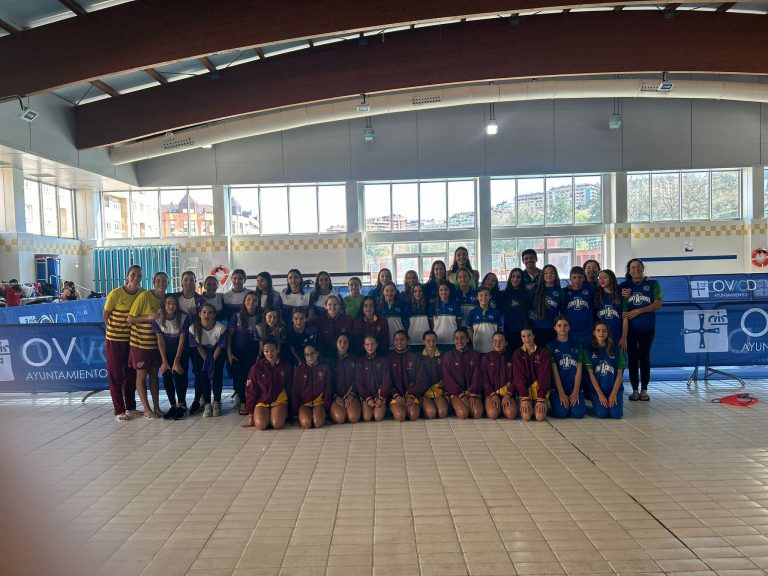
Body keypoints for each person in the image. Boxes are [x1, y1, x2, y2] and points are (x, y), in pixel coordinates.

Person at [103, 265, 144, 421]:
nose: (136, 278)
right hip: (115, 340)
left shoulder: (142, 293)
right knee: (116, 375)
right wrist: (114, 330)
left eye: (139, 275)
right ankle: (119, 410)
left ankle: (130, 407)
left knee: (131, 374)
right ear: (127, 276)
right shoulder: (115, 294)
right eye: (133, 274)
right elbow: (106, 315)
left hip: (133, 340)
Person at [620, 258, 662, 402]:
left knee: (644, 358)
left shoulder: (652, 284)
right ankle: (634, 390)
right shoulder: (624, 286)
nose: (635, 269)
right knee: (632, 359)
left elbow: (658, 304)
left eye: (638, 267)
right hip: (630, 330)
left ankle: (644, 389)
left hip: (647, 328)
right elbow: (623, 309)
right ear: (628, 270)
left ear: (643, 268)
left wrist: (640, 311)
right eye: (632, 267)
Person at [127, 271, 168, 419]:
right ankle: (146, 408)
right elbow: (130, 319)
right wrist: (147, 317)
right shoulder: (144, 296)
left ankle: (156, 406)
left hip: (156, 345)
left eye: (164, 281)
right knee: (141, 375)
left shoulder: (167, 299)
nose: (161, 283)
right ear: (153, 282)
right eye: (158, 281)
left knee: (154, 376)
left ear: (168, 283)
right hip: (140, 344)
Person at [153, 294, 190, 420]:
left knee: (179, 375)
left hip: (180, 351)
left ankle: (181, 405)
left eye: (174, 303)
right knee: (167, 375)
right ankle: (173, 405)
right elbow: (160, 340)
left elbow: (182, 340)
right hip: (166, 352)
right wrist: (164, 361)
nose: (171, 306)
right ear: (163, 304)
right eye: (168, 303)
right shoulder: (157, 319)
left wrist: (177, 361)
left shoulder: (184, 317)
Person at [241, 339, 292, 430]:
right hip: (262, 401)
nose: (269, 354)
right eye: (266, 351)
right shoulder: (256, 368)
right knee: (261, 426)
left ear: (278, 349)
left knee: (277, 424)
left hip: (279, 400)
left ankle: (278, 415)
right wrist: (251, 416)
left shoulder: (286, 366)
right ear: (263, 352)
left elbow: (292, 389)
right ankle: (266, 416)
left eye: (272, 351)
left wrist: (293, 413)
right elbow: (251, 391)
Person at [189, 303, 228, 417]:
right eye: (204, 312)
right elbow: (199, 347)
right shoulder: (193, 328)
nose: (207, 315)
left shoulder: (221, 328)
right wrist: (207, 361)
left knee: (217, 375)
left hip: (217, 352)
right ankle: (207, 404)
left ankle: (216, 402)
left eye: (210, 312)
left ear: (214, 315)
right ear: (200, 314)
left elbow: (220, 346)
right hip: (202, 353)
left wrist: (212, 361)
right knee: (203, 376)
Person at [227, 291, 261, 416]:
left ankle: (252, 400)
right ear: (244, 302)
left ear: (258, 303)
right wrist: (229, 354)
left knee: (251, 379)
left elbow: (261, 339)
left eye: (255, 300)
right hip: (237, 353)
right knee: (238, 378)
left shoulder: (260, 316)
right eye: (249, 299)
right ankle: (242, 402)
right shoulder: (236, 316)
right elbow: (229, 336)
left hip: (253, 354)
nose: (251, 302)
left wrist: (259, 354)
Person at [547, 316, 585, 419]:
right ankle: (557, 401)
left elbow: (579, 370)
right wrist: (561, 394)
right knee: (561, 413)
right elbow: (554, 372)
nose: (562, 328)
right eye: (559, 325)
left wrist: (576, 392)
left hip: (573, 387)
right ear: (555, 327)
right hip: (558, 388)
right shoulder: (550, 346)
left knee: (578, 413)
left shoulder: (577, 346)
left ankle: (576, 399)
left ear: (569, 327)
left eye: (565, 325)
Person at [585, 322, 625, 419]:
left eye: (604, 331)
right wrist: (600, 394)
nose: (601, 333)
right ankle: (592, 405)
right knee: (602, 414)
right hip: (597, 391)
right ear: (594, 333)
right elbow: (591, 375)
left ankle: (616, 404)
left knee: (616, 415)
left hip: (614, 389)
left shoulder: (617, 350)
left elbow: (620, 374)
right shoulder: (588, 350)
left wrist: (614, 394)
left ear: (608, 333)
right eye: (598, 330)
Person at [512, 328, 552, 422]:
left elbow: (545, 377)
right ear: (521, 338)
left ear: (534, 336)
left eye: (529, 335)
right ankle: (523, 402)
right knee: (526, 417)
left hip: (540, 393)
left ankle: (537, 402)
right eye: (523, 336)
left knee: (539, 417)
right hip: (525, 393)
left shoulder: (543, 352)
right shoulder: (517, 354)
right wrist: (525, 397)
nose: (527, 338)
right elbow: (519, 377)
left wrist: (541, 398)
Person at [442, 328, 483, 419]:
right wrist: (460, 394)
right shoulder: (448, 356)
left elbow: (478, 376)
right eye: (456, 338)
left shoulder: (475, 355)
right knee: (463, 414)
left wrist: (473, 393)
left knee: (477, 413)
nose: (459, 341)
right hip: (456, 393)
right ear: (453, 340)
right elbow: (447, 378)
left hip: (473, 392)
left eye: (462, 338)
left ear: (468, 339)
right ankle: (453, 405)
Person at [388, 331, 428, 421]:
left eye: (402, 340)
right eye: (397, 339)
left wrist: (412, 395)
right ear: (393, 341)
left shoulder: (414, 357)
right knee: (400, 416)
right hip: (395, 396)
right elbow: (386, 381)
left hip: (411, 395)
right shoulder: (389, 357)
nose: (399, 342)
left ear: (407, 341)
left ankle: (418, 405)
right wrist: (395, 395)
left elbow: (421, 380)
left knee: (413, 415)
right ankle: (392, 409)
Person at [291, 344, 332, 429]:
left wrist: (327, 414)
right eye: (307, 354)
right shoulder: (299, 369)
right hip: (304, 404)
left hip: (319, 403)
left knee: (318, 423)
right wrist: (295, 416)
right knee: (306, 424)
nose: (310, 357)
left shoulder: (324, 368)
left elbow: (327, 390)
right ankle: (303, 416)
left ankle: (320, 416)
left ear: (317, 353)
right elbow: (295, 392)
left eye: (312, 353)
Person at [477, 332, 517, 420]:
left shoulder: (512, 357)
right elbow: (484, 379)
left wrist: (508, 394)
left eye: (500, 341)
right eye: (495, 341)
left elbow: (516, 378)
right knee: (493, 414)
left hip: (507, 393)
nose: (497, 343)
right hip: (491, 393)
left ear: (506, 343)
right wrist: (493, 394)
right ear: (492, 342)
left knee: (511, 414)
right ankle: (491, 405)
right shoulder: (486, 358)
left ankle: (506, 406)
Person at [355, 335, 392, 422]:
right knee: (367, 417)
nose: (370, 346)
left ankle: (385, 407)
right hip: (367, 396)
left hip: (380, 396)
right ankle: (366, 405)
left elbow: (387, 381)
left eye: (372, 344)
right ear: (364, 346)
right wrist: (368, 398)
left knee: (378, 417)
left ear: (377, 345)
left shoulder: (383, 361)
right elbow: (359, 383)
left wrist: (381, 397)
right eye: (367, 344)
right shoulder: (360, 362)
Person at [329, 334, 361, 424]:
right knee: (340, 419)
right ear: (336, 343)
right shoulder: (331, 360)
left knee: (353, 418)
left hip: (352, 395)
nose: (342, 344)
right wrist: (335, 396)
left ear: (349, 344)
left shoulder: (355, 359)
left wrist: (351, 394)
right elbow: (327, 382)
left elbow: (359, 379)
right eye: (340, 342)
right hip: (336, 396)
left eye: (345, 342)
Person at [530, 264, 562, 347]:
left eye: (552, 273)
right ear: (542, 275)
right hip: (537, 328)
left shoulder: (560, 292)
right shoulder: (535, 290)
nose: (549, 275)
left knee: (551, 355)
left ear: (556, 275)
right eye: (546, 273)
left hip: (552, 328)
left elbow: (562, 311)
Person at [563, 266, 594, 350]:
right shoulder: (565, 292)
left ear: (584, 278)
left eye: (580, 277)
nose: (577, 280)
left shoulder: (590, 289)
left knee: (587, 359)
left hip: (587, 331)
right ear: (570, 278)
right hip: (570, 331)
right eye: (574, 277)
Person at [595, 269, 627, 349]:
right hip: (602, 336)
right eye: (600, 277)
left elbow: (625, 318)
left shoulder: (621, 294)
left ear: (611, 278)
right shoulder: (598, 296)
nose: (601, 280)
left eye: (605, 277)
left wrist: (624, 337)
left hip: (617, 334)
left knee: (618, 359)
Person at [465, 286, 504, 354]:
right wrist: (473, 340)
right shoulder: (472, 313)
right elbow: (469, 328)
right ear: (477, 297)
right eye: (481, 295)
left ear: (490, 296)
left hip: (493, 349)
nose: (484, 297)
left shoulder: (496, 313)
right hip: (477, 348)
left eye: (486, 295)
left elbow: (499, 329)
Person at [314, 294, 353, 360]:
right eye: (329, 304)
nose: (332, 306)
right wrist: (326, 356)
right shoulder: (319, 321)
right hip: (326, 356)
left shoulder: (347, 320)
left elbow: (350, 339)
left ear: (339, 306)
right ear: (325, 306)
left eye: (335, 304)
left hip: (344, 355)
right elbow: (318, 341)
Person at [421, 331, 449, 419]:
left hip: (438, 391)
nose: (431, 343)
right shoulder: (417, 357)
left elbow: (447, 375)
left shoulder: (444, 355)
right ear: (423, 342)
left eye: (433, 340)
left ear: (437, 341)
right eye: (428, 341)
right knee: (431, 413)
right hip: (424, 392)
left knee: (442, 413)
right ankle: (423, 406)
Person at [502, 268, 530, 351]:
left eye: (518, 277)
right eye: (513, 276)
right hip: (508, 330)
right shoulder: (504, 294)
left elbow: (529, 313)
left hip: (523, 331)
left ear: (522, 279)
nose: (515, 279)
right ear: (510, 278)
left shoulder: (527, 295)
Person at [432, 282, 462, 347]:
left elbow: (458, 324)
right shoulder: (433, 305)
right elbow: (431, 324)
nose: (443, 292)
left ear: (449, 291)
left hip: (452, 341)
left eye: (446, 290)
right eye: (441, 290)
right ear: (438, 291)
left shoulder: (455, 304)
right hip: (437, 340)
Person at [379, 282, 406, 349]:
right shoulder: (378, 307)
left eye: (392, 291)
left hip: (399, 340)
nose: (390, 293)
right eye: (387, 291)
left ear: (395, 292)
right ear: (383, 292)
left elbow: (406, 323)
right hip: (384, 339)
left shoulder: (401, 305)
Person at [406, 283, 430, 348]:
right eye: (415, 291)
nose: (418, 293)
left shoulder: (428, 305)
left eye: (420, 291)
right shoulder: (407, 306)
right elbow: (406, 325)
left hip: (426, 340)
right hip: (412, 340)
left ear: (423, 292)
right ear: (412, 293)